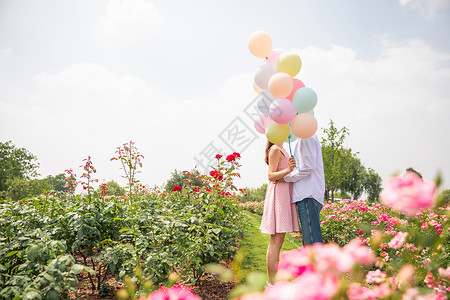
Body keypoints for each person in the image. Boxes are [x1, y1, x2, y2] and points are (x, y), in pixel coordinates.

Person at [260, 140, 300, 284]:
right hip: (278, 195)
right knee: (275, 241)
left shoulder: (283, 149)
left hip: (284, 194)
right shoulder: (275, 149)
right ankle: (272, 283)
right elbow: (271, 175)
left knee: (279, 240)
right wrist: (288, 170)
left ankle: (274, 280)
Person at [284, 134, 325, 246]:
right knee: (310, 240)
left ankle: (315, 264)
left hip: (307, 195)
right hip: (308, 195)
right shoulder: (306, 136)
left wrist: (286, 177)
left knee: (311, 243)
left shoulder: (305, 136)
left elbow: (308, 167)